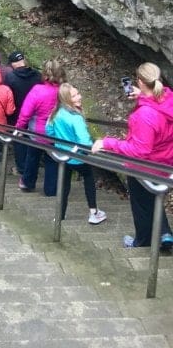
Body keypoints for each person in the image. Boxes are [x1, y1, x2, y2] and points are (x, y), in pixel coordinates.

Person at [92, 62, 173, 250]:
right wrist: (142, 96)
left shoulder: (145, 115)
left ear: (140, 81)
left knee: (141, 205)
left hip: (146, 166)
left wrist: (107, 143)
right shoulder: (168, 98)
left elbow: (139, 150)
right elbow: (159, 103)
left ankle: (142, 241)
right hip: (165, 162)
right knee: (153, 199)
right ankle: (165, 234)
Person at [45, 83, 106, 225]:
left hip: (62, 156)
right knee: (89, 177)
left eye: (78, 94)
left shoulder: (56, 112)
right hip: (77, 157)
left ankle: (60, 215)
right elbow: (84, 141)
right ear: (66, 99)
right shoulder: (76, 118)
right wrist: (95, 146)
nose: (79, 97)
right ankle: (93, 212)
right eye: (74, 96)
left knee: (64, 185)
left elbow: (49, 132)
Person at [16, 59, 67, 195]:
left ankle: (27, 182)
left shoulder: (38, 90)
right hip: (57, 133)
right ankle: (51, 189)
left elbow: (26, 112)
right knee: (52, 159)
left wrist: (20, 128)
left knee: (32, 157)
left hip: (37, 133)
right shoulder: (64, 92)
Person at [4, 51, 41, 176]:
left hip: (17, 115)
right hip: (36, 115)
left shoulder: (10, 78)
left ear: (13, 64)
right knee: (33, 142)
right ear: (24, 60)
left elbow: (7, 97)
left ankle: (21, 168)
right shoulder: (37, 75)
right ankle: (32, 168)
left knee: (19, 142)